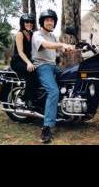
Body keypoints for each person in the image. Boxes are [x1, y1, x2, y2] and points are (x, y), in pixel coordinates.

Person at [32, 9, 74, 143]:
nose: (50, 22)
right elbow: (45, 45)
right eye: (47, 20)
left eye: (52, 20)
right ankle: (47, 127)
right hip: (42, 66)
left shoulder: (52, 36)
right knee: (54, 91)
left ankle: (66, 109)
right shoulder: (37, 35)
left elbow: (59, 49)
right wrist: (62, 44)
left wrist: (70, 48)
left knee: (71, 78)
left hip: (53, 66)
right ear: (42, 22)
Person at [10, 13, 36, 108]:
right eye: (27, 22)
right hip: (18, 61)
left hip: (28, 60)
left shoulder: (32, 34)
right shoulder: (19, 34)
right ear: (22, 23)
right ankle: (28, 99)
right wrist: (29, 63)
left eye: (31, 22)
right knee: (32, 72)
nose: (29, 24)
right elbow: (20, 52)